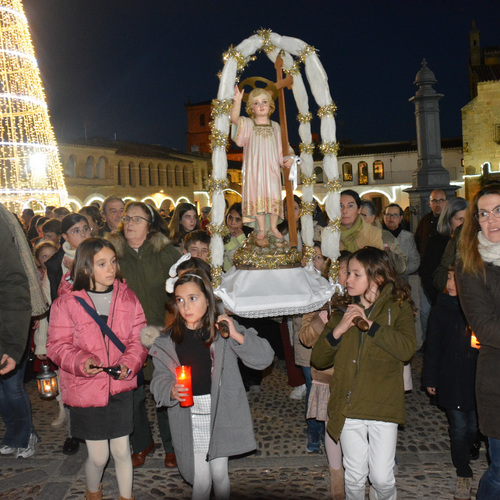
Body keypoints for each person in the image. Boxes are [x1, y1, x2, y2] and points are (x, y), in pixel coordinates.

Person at [141, 269, 275, 500]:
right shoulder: (168, 340)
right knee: (201, 480)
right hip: (188, 415)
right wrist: (170, 389)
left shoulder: (222, 332)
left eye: (193, 298)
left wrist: (237, 336)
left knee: (220, 473)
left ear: (208, 299)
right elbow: (159, 379)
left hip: (220, 411)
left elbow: (264, 357)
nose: (186, 307)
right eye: (180, 300)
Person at [311, 246, 416, 500]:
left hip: (383, 405)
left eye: (355, 274)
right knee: (354, 476)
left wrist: (370, 325)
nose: (347, 280)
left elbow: (406, 349)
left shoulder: (398, 307)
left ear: (377, 278)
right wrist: (338, 330)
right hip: (349, 405)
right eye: (348, 273)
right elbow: (318, 359)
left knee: (381, 477)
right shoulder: (341, 311)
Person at [47, 237, 148, 500]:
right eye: (102, 263)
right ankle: (93, 492)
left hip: (119, 386)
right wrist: (81, 362)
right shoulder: (66, 303)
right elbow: (57, 346)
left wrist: (128, 365)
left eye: (113, 261)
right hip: (85, 390)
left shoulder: (127, 298)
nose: (111, 268)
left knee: (123, 451)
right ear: (85, 268)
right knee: (99, 456)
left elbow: (139, 339)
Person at [106, 201, 180, 469]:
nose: (130, 223)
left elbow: (180, 290)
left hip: (163, 333)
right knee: (131, 394)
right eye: (127, 218)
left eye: (137, 219)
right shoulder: (113, 254)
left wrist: (174, 325)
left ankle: (172, 445)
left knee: (164, 391)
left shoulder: (166, 253)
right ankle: (142, 442)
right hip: (126, 337)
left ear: (149, 226)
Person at [456, 184, 500, 499]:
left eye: (499, 210)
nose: (491, 220)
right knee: (499, 472)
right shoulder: (470, 266)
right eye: (483, 214)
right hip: (497, 381)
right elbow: (485, 329)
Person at [423, 267, 479, 500]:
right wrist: (430, 378)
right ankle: (463, 473)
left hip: (476, 378)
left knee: (475, 427)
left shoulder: (477, 308)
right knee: (458, 428)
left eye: (457, 278)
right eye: (449, 277)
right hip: (451, 377)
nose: (452, 282)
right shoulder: (440, 310)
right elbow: (433, 347)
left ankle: (472, 444)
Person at [300, 250, 350, 500]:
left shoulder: (361, 298)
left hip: (354, 377)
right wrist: (320, 321)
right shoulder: (319, 297)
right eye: (341, 269)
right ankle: (337, 482)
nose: (345, 275)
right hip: (328, 377)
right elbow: (305, 338)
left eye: (350, 270)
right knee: (333, 431)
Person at [44, 212, 92, 454]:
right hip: (69, 333)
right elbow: (52, 301)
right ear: (64, 236)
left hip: (95, 329)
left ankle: (97, 429)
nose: (83, 234)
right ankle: (73, 433)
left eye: (85, 228)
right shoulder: (55, 263)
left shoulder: (99, 254)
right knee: (70, 383)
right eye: (76, 230)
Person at [230, 85, 293, 241]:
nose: (261, 106)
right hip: (255, 170)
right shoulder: (249, 124)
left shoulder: (275, 126)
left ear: (270, 105)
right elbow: (234, 119)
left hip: (271, 168)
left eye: (264, 102)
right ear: (251, 107)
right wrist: (237, 101)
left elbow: (283, 149)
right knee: (258, 196)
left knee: (273, 194)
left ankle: (273, 226)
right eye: (256, 103)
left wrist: (289, 157)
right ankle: (262, 229)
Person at [0, 203, 36, 458]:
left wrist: (13, 343)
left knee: (11, 388)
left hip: (6, 328)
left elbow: (13, 282)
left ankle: (24, 435)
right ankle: (14, 434)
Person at [419, 197, 468, 306]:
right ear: (449, 220)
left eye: (467, 219)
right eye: (460, 219)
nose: (465, 224)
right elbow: (428, 277)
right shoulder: (436, 243)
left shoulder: (474, 241)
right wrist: (439, 302)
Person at [360, 200, 406, 274]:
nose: (359, 220)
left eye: (363, 216)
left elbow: (401, 266)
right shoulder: (346, 237)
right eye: (357, 216)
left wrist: (388, 254)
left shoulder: (386, 237)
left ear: (373, 218)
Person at [382, 204, 420, 279]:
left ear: (401, 218)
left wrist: (400, 270)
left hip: (402, 281)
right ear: (384, 217)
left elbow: (415, 262)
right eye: (388, 214)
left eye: (395, 215)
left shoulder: (408, 237)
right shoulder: (376, 236)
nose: (391, 218)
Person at [414, 189, 447, 258]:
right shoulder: (425, 220)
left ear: (446, 203)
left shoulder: (450, 220)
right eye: (434, 201)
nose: (438, 204)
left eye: (441, 201)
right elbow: (417, 241)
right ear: (429, 203)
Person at [223, 202, 251, 272]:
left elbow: (251, 257)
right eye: (230, 218)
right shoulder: (221, 235)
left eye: (238, 219)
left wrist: (241, 238)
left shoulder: (251, 237)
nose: (233, 222)